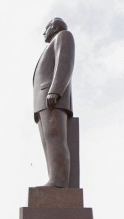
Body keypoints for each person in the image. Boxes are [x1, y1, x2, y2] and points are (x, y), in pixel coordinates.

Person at [33, 17, 75, 188]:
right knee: (48, 142)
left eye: (46, 28)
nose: (44, 32)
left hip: (52, 97)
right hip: (42, 101)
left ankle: (58, 181)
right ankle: (54, 178)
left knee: (55, 138)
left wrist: (55, 90)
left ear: (54, 27)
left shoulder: (63, 36)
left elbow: (65, 63)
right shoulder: (49, 47)